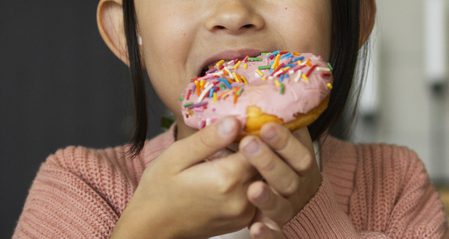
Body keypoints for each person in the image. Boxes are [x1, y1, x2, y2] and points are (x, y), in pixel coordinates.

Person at [13, 0, 449, 238]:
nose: (233, 13)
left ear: (349, 22)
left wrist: (311, 213)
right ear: (128, 32)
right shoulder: (80, 185)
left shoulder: (394, 183)